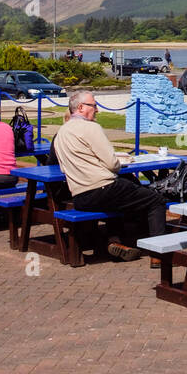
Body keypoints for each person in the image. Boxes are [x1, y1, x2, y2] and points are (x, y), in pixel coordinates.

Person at [52, 91, 167, 259]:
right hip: (103, 188)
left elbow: (64, 168)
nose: (97, 109)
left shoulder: (61, 134)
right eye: (94, 105)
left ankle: (114, 240)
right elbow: (111, 163)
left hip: (80, 197)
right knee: (156, 200)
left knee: (124, 199)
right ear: (81, 107)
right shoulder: (91, 128)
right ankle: (159, 255)